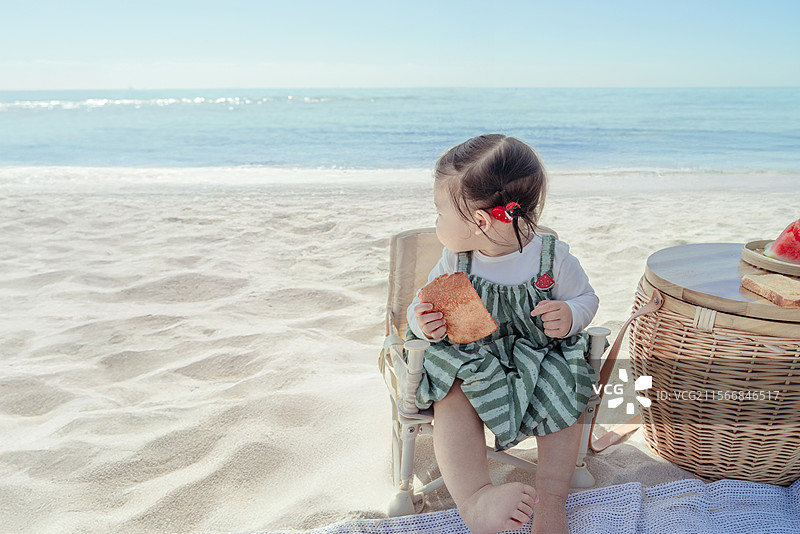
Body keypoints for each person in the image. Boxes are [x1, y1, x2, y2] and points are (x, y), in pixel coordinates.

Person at [406, 134, 599, 534]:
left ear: (478, 221)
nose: (436, 222)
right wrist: (422, 321)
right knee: (451, 389)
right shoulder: (454, 262)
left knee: (566, 383)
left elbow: (586, 299)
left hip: (540, 356)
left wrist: (570, 313)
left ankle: (550, 502)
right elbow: (420, 304)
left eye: (440, 213)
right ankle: (475, 498)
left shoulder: (553, 258)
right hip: (475, 357)